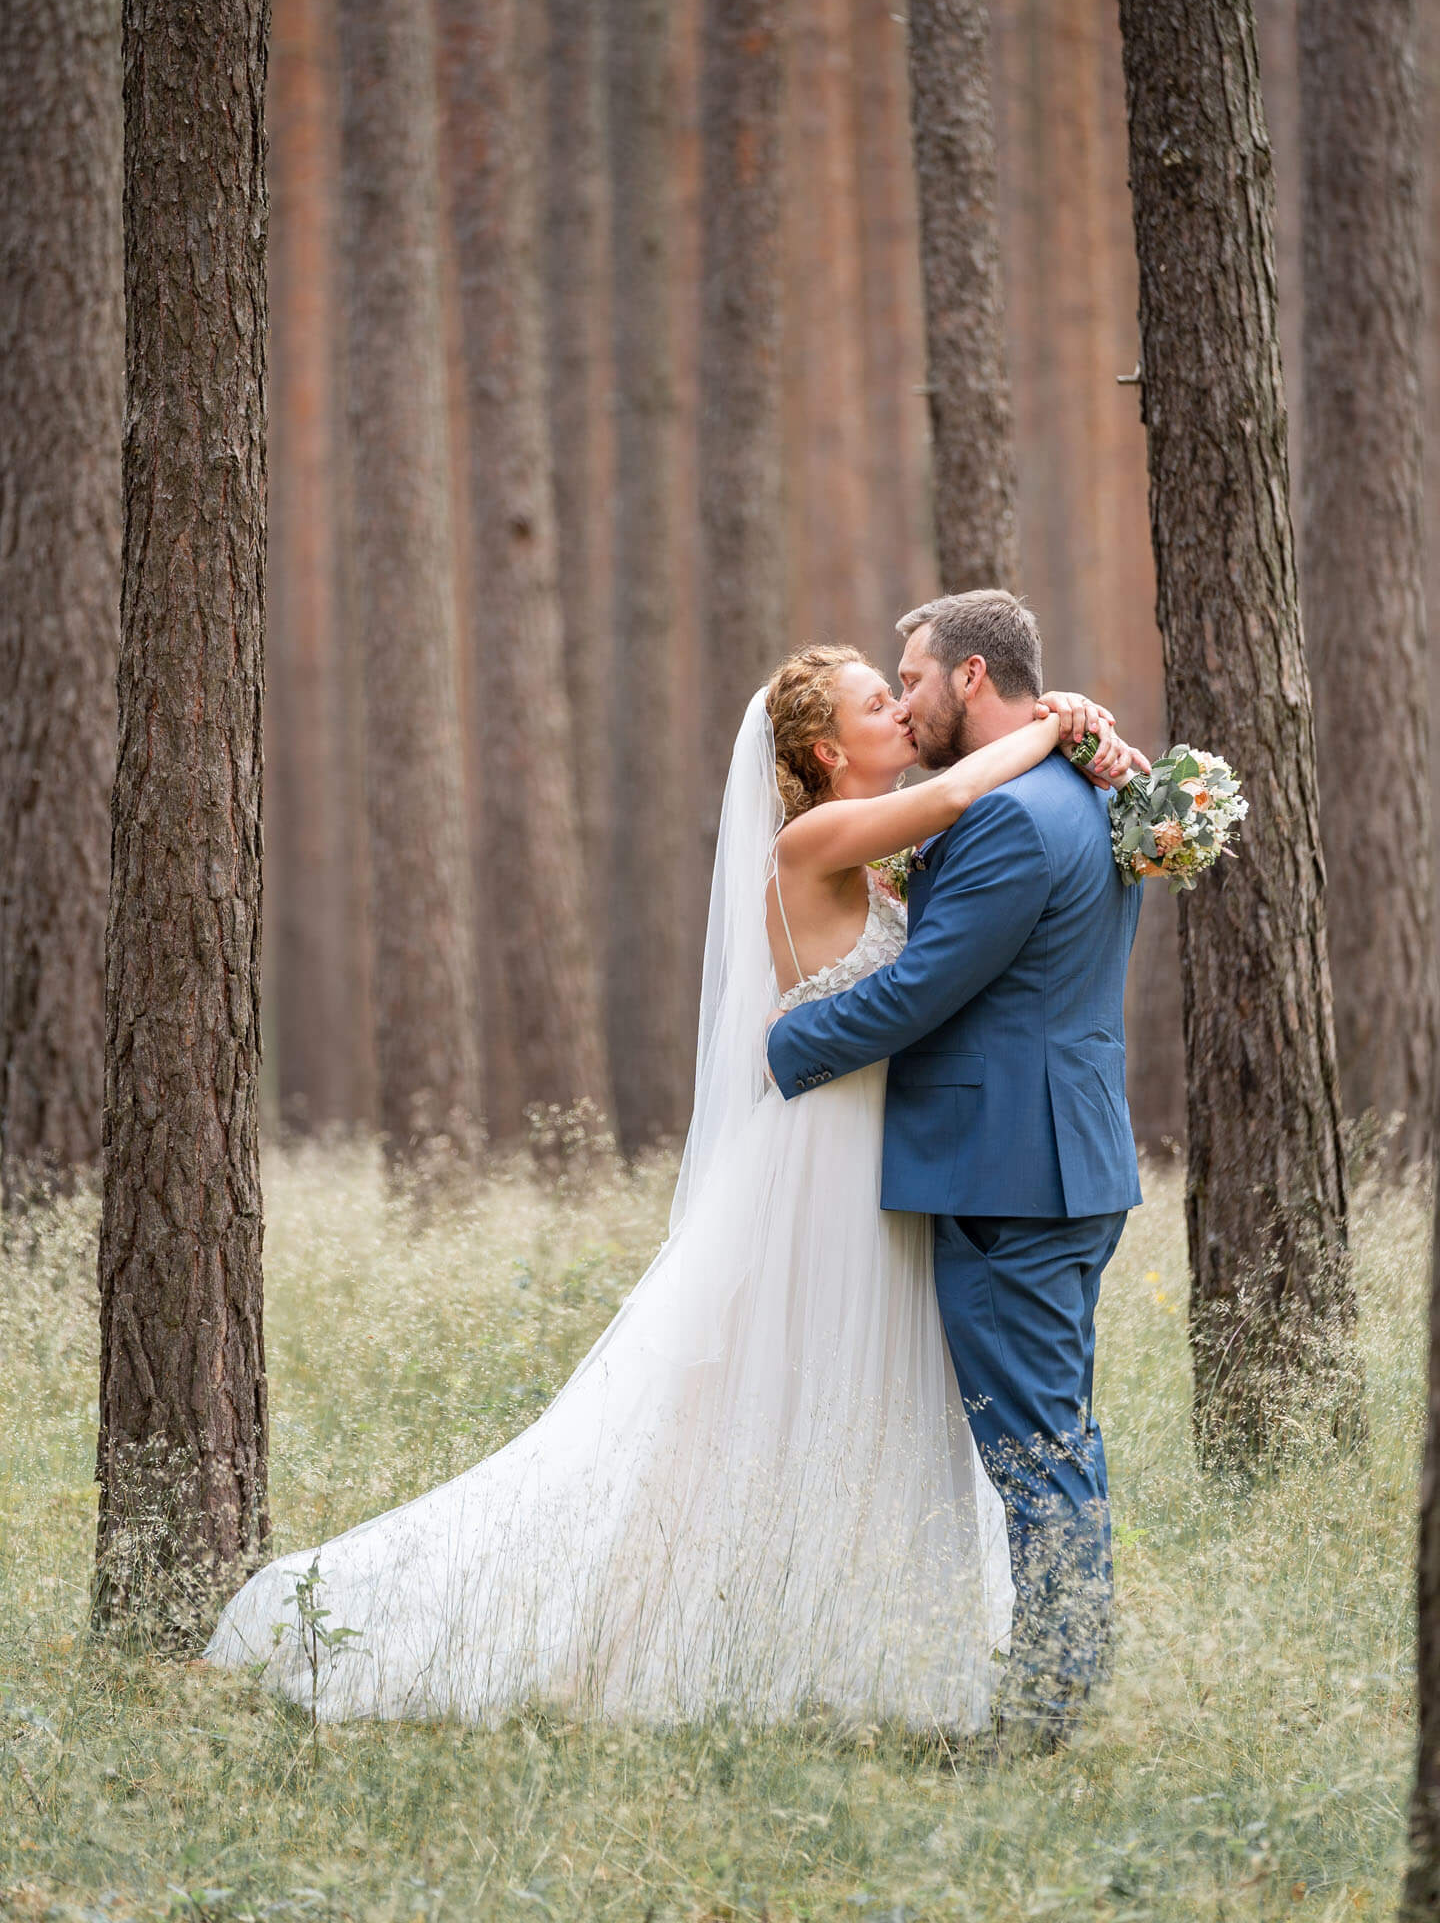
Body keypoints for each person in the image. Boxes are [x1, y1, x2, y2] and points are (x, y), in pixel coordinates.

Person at [205, 627, 1138, 1735]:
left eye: (904, 691)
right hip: (829, 1148)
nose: (900, 712)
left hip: (891, 1155)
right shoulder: (826, 835)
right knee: (762, 1396)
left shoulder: (875, 849)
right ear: (829, 754)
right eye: (875, 704)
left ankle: (834, 1632)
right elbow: (952, 804)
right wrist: (1051, 721)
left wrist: (1064, 719)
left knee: (850, 1395)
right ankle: (677, 1625)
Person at [767, 591, 1148, 1749]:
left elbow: (926, 986)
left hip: (1007, 1176)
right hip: (1067, 1155)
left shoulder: (1013, 818)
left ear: (974, 677)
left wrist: (789, 1045)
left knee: (1037, 1452)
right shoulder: (1081, 789)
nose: (909, 698)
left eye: (915, 678)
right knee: (1060, 1438)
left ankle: (1045, 1715)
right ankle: (1064, 1684)